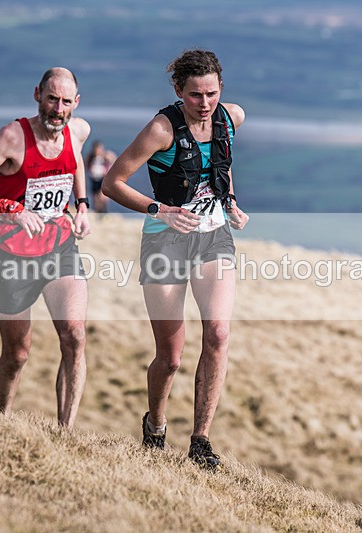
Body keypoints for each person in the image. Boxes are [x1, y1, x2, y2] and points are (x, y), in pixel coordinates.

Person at [102, 49, 249, 469]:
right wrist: (159, 210)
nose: (205, 104)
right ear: (177, 91)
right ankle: (156, 426)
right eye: (195, 95)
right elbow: (113, 182)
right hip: (164, 242)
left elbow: (222, 161)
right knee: (170, 357)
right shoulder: (161, 129)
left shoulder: (231, 117)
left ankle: (200, 441)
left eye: (212, 93)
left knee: (218, 335)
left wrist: (230, 200)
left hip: (213, 238)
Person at [0, 68, 91, 427]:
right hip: (13, 255)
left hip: (59, 247)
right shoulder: (12, 137)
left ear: (75, 104)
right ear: (37, 95)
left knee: (74, 336)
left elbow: (75, 160)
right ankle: (1, 422)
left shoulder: (78, 130)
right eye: (51, 99)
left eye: (65, 102)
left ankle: (66, 434)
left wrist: (82, 205)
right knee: (17, 355)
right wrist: (10, 208)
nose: (57, 109)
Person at [85, 140, 116, 215]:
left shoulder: (105, 156)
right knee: (95, 197)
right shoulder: (91, 157)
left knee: (103, 196)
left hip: (103, 178)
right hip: (94, 178)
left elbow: (113, 159)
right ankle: (98, 212)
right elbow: (87, 165)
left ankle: (104, 211)